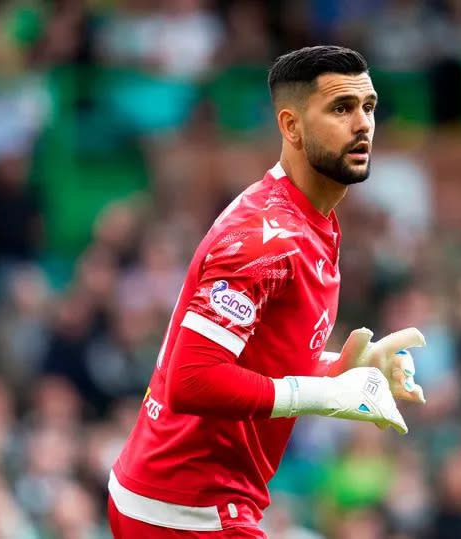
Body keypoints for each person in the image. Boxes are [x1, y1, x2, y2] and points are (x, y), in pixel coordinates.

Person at [107, 45, 427, 538]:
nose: (362, 124)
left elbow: (257, 361)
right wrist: (323, 393)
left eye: (369, 107)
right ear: (291, 126)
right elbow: (191, 381)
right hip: (187, 507)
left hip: (190, 496)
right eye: (341, 109)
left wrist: (343, 367)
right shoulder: (263, 237)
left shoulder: (312, 222)